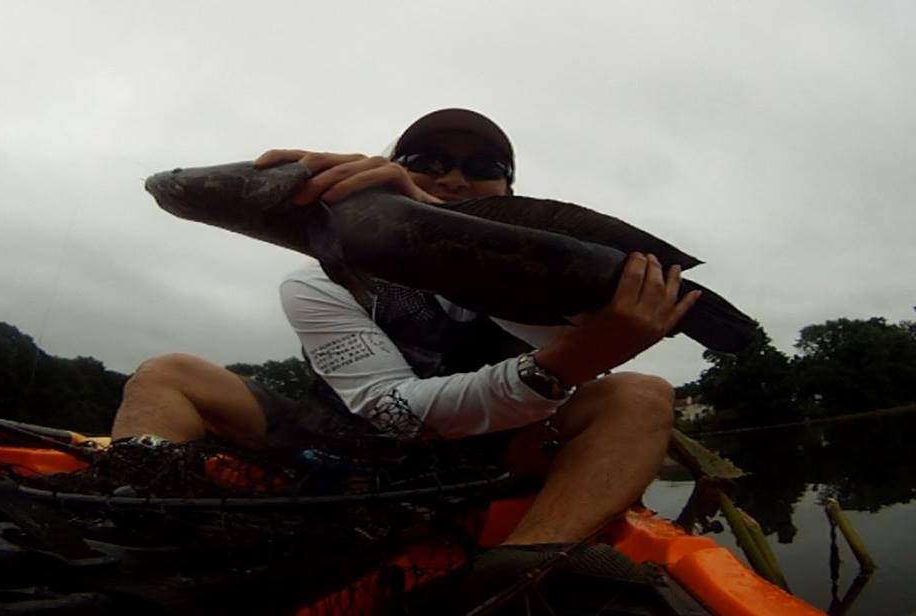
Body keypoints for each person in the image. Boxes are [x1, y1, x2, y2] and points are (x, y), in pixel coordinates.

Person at [111, 108, 699, 550]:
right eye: (426, 163)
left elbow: (572, 360)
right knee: (169, 374)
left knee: (638, 395)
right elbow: (393, 411)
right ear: (387, 171)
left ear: (511, 194)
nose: (454, 178)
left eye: (483, 168)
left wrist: (459, 251)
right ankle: (135, 513)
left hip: (496, 458)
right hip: (339, 444)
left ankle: (520, 565)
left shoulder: (559, 283)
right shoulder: (318, 283)